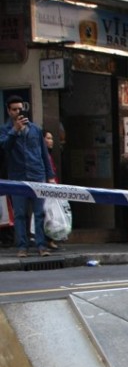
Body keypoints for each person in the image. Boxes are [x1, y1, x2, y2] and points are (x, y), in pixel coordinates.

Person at [0, 95, 56, 257]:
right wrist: (14, 131)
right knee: (20, 214)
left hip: (37, 175)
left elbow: (44, 153)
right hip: (17, 177)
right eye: (14, 109)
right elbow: (5, 147)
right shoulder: (5, 130)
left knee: (39, 213)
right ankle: (22, 246)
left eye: (20, 109)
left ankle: (41, 245)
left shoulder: (35, 129)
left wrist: (50, 175)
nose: (18, 112)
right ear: (9, 111)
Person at [42, 129, 63, 249]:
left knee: (52, 215)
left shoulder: (49, 155)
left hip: (53, 188)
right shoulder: (44, 156)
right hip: (46, 189)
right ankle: (48, 240)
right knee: (48, 215)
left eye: (52, 138)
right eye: (48, 138)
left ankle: (51, 239)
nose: (51, 141)